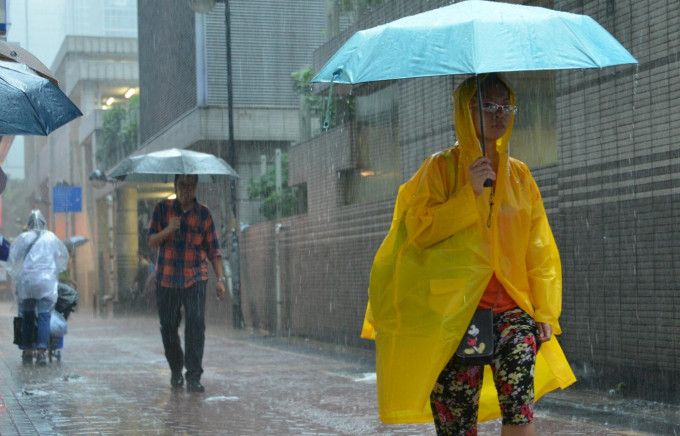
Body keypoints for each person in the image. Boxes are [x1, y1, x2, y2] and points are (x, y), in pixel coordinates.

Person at [361, 74, 576, 435]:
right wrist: (470, 194)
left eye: (506, 106)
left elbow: (538, 246)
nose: (499, 114)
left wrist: (544, 310)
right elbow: (420, 231)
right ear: (465, 110)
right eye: (488, 105)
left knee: (520, 410)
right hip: (457, 314)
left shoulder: (520, 176)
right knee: (457, 423)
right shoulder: (440, 169)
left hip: (513, 312)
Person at [147, 174, 227, 393]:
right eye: (183, 185)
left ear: (196, 187)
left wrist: (220, 279)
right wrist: (169, 229)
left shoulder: (204, 213)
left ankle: (193, 375)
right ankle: (176, 368)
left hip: (195, 277)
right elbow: (151, 240)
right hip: (167, 278)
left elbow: (214, 249)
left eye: (191, 185)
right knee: (168, 327)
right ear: (175, 185)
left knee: (196, 324)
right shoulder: (162, 209)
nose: (187, 190)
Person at [8, 210, 69, 366]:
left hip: (27, 282)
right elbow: (62, 259)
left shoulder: (23, 238)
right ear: (44, 223)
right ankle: (42, 352)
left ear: (29, 224)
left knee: (27, 316)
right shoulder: (51, 238)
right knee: (43, 316)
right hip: (46, 283)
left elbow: (14, 257)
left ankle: (28, 350)